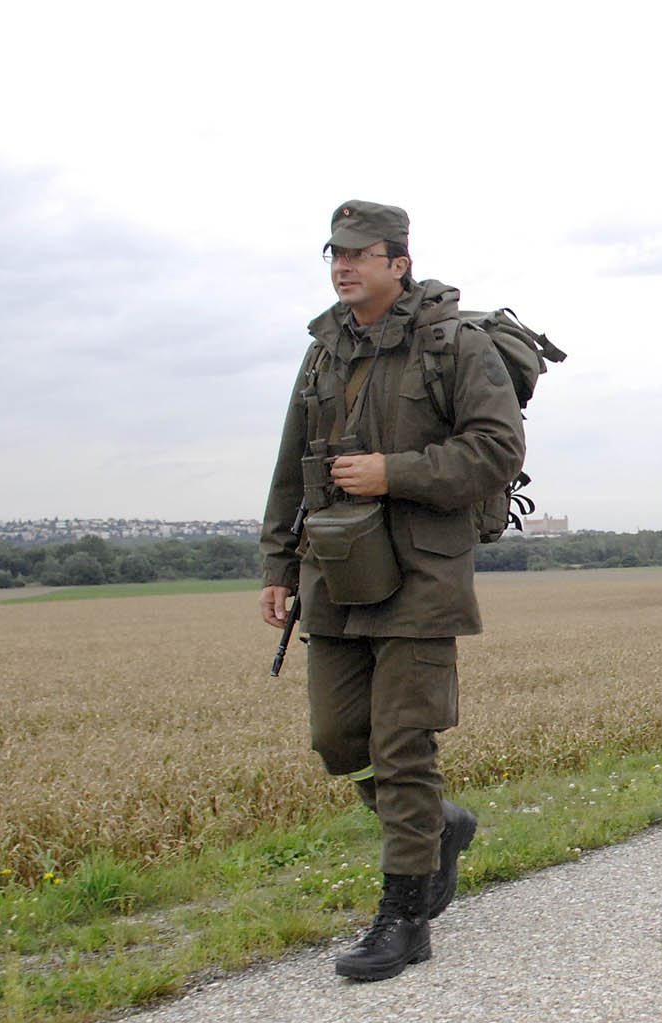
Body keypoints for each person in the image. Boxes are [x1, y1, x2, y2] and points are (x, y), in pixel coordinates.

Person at [260, 201, 524, 980]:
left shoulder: (453, 344)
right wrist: (278, 567)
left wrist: (392, 471)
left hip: (420, 571)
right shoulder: (322, 352)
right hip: (336, 572)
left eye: (359, 254)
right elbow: (288, 468)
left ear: (397, 263)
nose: (343, 266)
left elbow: (497, 451)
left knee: (402, 744)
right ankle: (438, 827)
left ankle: (403, 916)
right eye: (333, 254)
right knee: (338, 739)